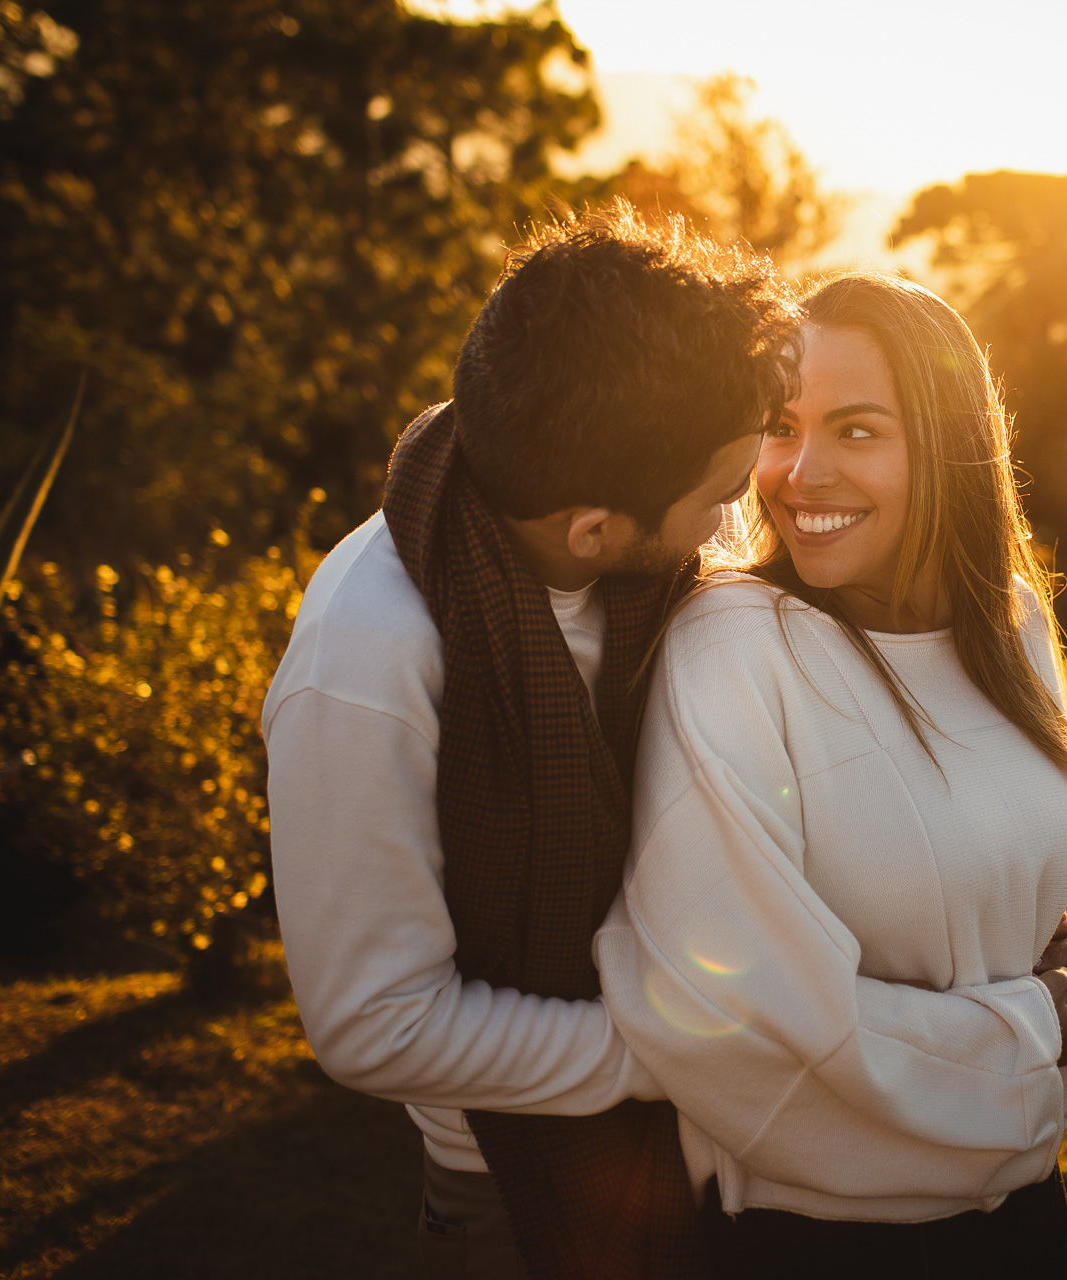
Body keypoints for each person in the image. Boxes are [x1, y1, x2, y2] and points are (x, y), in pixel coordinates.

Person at [261, 203, 803, 1278]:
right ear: (591, 529)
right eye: (722, 491)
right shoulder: (365, 661)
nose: (745, 514)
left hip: (749, 1157)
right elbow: (373, 1022)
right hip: (520, 1199)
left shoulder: (658, 532)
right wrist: (683, 1050)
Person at [595, 271, 1067, 1277]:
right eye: (781, 426)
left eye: (857, 430)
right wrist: (1032, 1028)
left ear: (944, 446)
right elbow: (740, 1011)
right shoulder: (733, 646)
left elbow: (978, 863)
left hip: (1026, 1221)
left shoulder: (1011, 622)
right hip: (815, 1244)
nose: (801, 472)